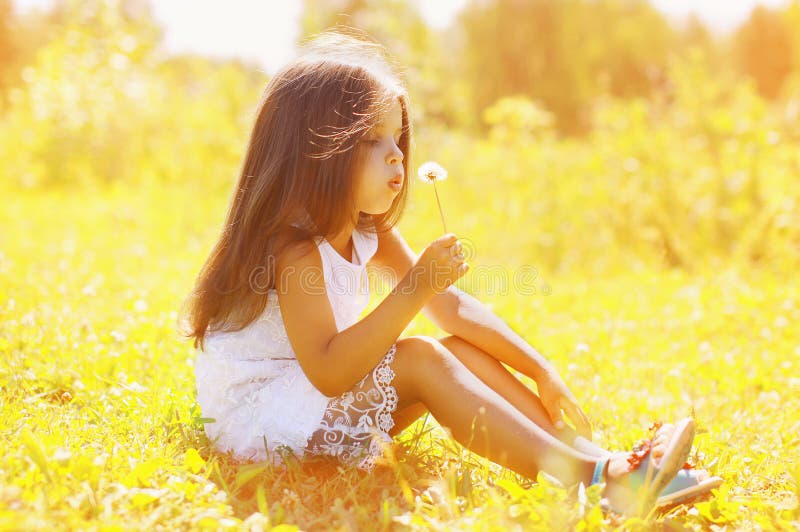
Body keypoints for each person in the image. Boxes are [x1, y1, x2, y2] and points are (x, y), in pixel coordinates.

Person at [180, 29, 720, 516]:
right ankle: (595, 480)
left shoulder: (368, 230)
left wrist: (541, 370)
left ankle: (604, 463)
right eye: (374, 140)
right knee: (421, 357)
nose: (397, 157)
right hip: (263, 416)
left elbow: (451, 308)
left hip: (312, 403)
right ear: (318, 151)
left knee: (453, 348)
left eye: (398, 140)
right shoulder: (294, 248)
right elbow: (328, 370)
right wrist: (417, 286)